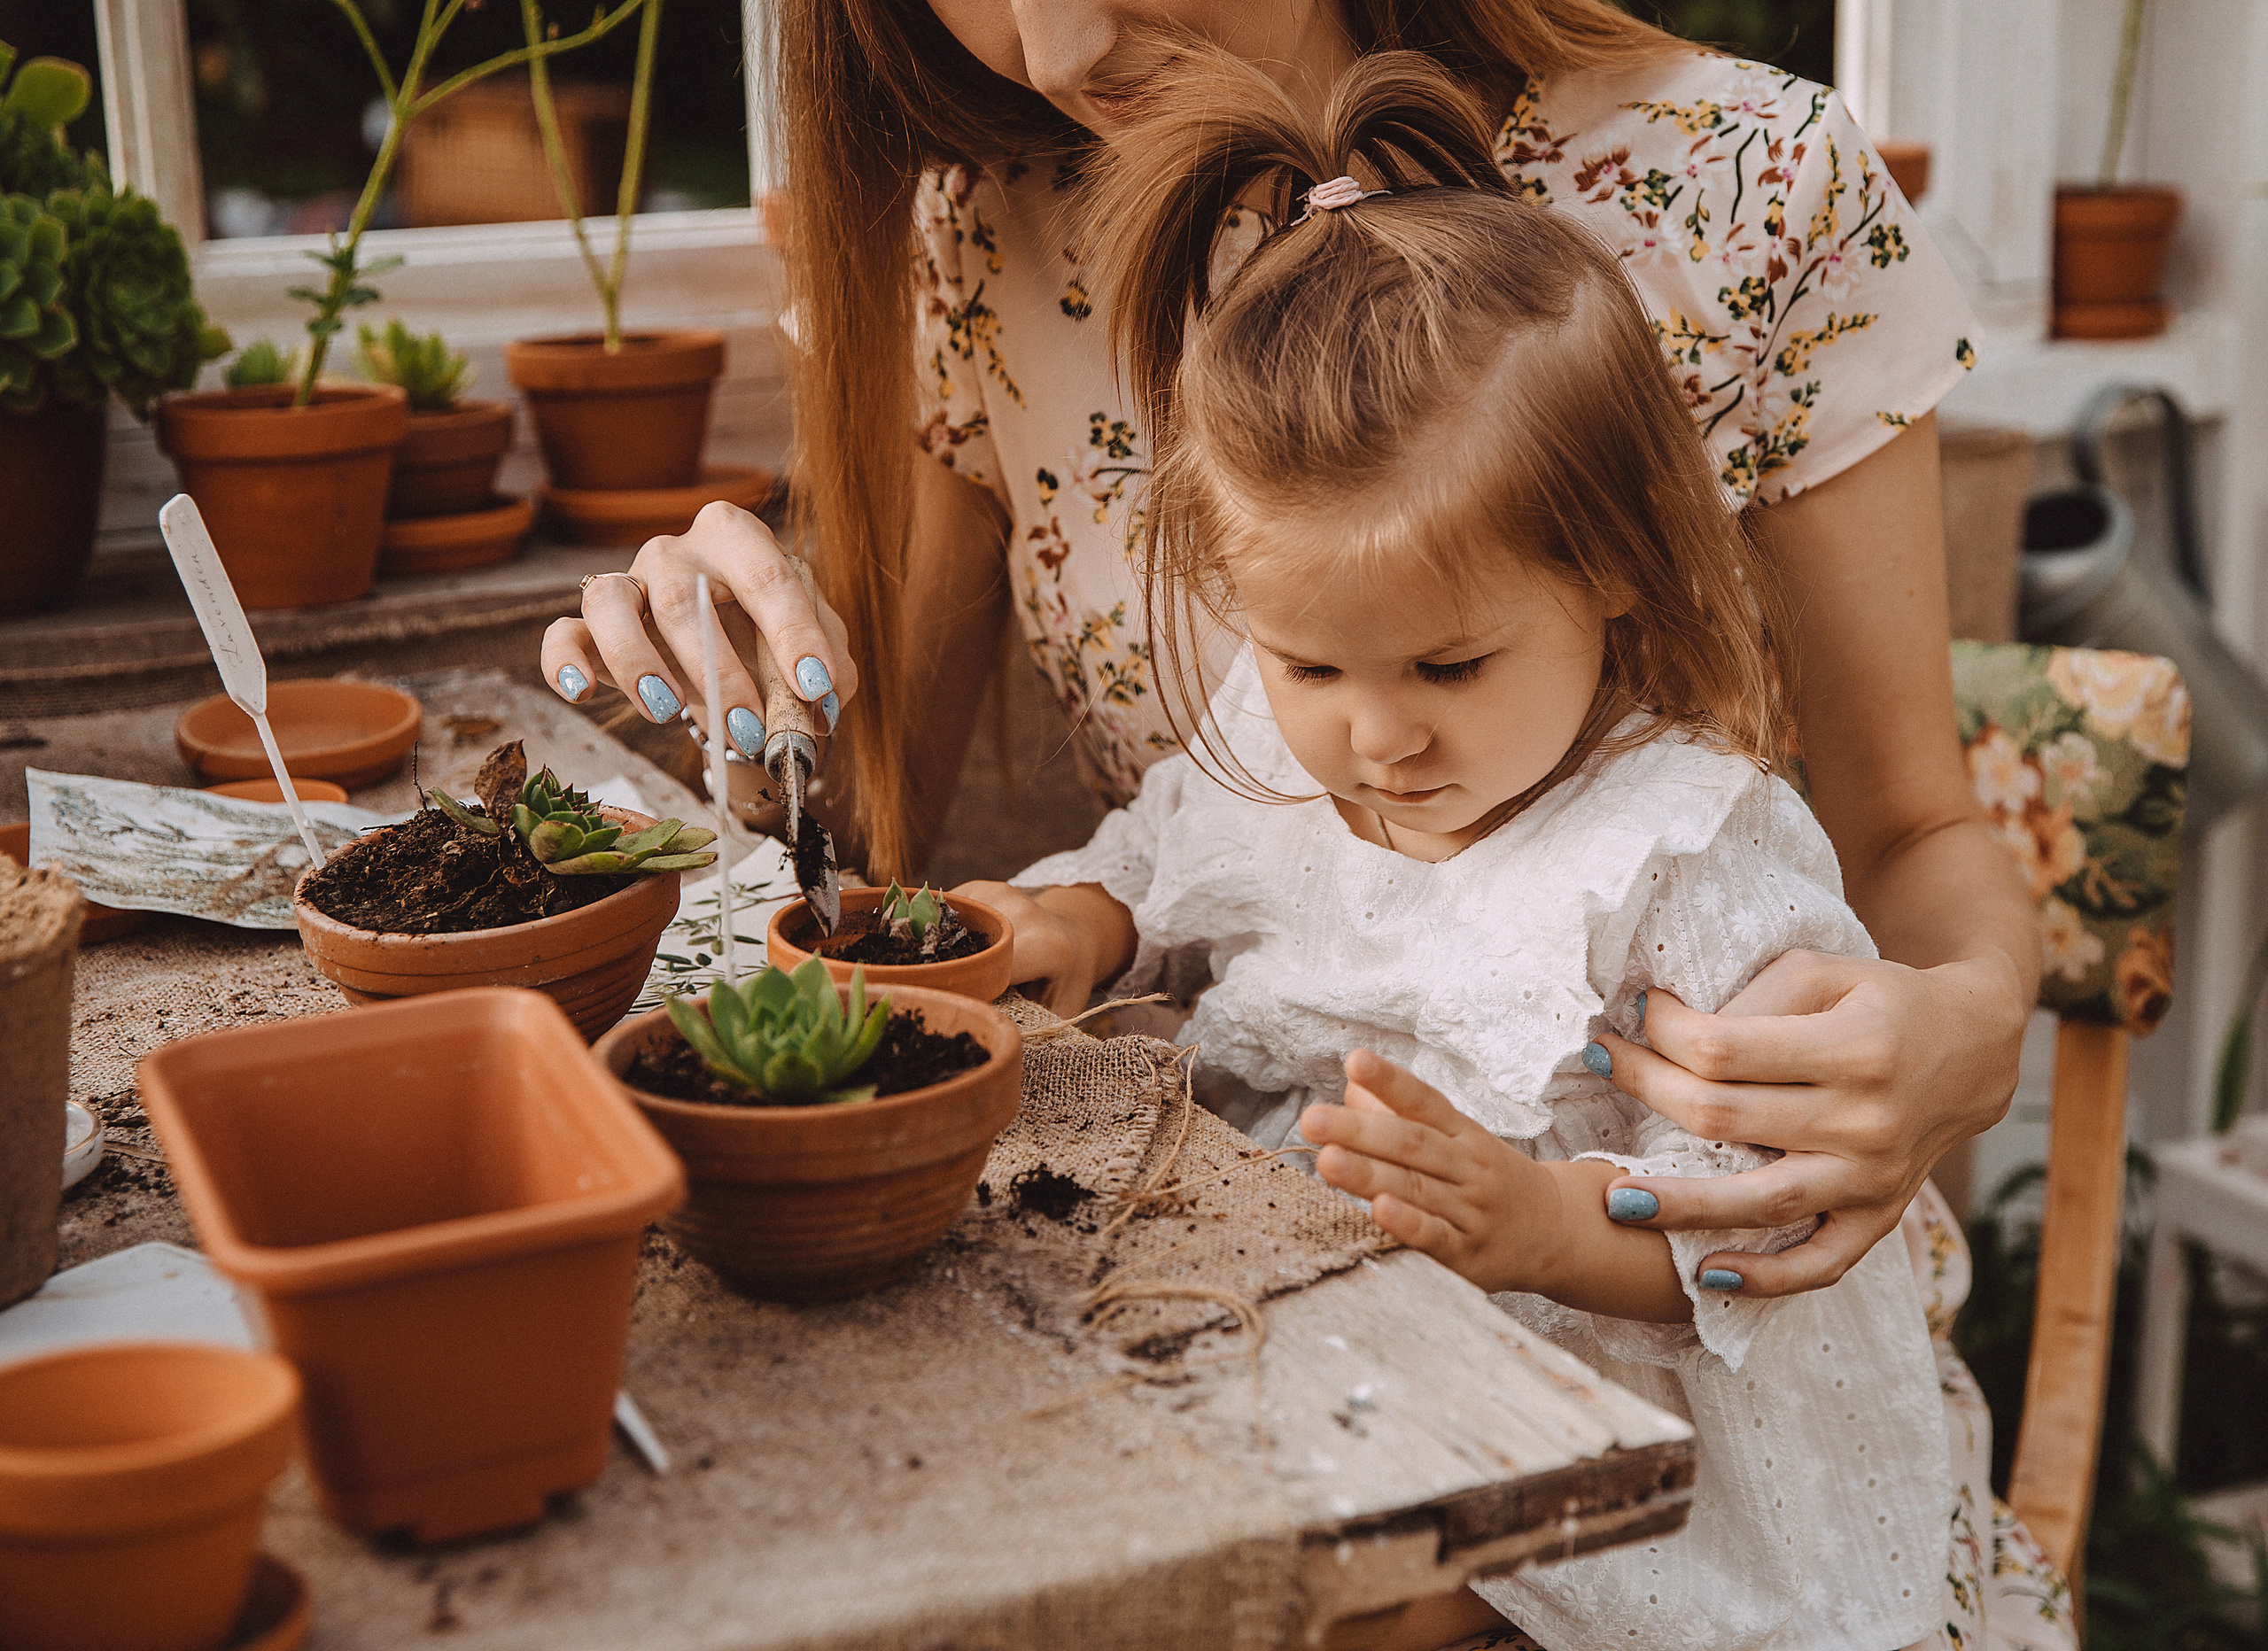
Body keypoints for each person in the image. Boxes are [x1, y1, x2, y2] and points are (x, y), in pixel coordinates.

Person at [543, 0, 2035, 1320]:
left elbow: (1911, 827)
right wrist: (759, 734)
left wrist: (1970, 1029)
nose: (1055, 49)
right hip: (1255, 1242)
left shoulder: (1745, 185)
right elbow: (883, 875)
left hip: (1687, 1288)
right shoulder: (980, 227)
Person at [981, 52, 2063, 1649]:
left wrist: (1548, 1229)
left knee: (1356, 1612)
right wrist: (1082, 914)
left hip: (1625, 1410)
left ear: (1613, 567)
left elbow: (1772, 1211)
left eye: (1449, 668)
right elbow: (1167, 845)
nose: (1375, 741)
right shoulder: (1288, 734)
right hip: (1346, 1337)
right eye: (1310, 666)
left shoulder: (1684, 856)